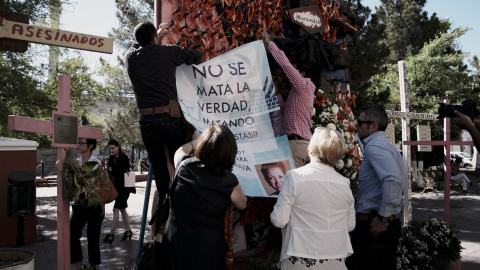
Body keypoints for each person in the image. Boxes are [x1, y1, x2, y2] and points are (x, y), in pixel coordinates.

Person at [125, 22, 203, 204]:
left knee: (159, 166)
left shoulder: (130, 57)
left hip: (146, 120)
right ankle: (182, 198)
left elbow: (136, 45)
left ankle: (165, 202)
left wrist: (156, 36)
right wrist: (160, 38)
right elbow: (197, 56)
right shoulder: (169, 52)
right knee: (180, 159)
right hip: (169, 116)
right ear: (154, 38)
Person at [161, 125, 247, 270]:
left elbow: (179, 151)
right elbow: (242, 204)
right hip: (207, 251)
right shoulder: (229, 181)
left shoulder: (184, 166)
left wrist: (195, 141)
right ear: (230, 152)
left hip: (175, 243)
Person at [270, 127, 355, 270]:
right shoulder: (345, 184)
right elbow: (350, 225)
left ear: (311, 150)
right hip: (335, 260)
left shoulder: (294, 177)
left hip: (299, 259)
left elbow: (279, 220)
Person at [346, 105, 406, 270]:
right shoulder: (384, 145)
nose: (356, 126)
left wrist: (383, 218)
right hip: (379, 223)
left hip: (374, 225)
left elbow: (393, 180)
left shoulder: (375, 146)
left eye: (360, 122)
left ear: (373, 126)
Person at [259, 31, 316, 168]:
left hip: (296, 143)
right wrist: (276, 92)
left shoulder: (304, 85)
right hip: (294, 142)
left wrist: (269, 43)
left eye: (295, 70)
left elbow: (286, 66)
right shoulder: (299, 91)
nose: (292, 73)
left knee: (291, 184)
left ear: (301, 74)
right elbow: (286, 111)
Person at [71, 138, 104, 270]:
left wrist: (76, 182)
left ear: (90, 146)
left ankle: (92, 265)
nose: (78, 145)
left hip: (94, 204)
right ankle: (78, 265)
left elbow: (90, 182)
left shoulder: (96, 162)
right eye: (78, 142)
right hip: (80, 203)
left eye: (81, 143)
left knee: (93, 236)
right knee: (72, 233)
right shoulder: (76, 162)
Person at [102, 139, 136, 244]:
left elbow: (122, 171)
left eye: (112, 148)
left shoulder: (124, 157)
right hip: (116, 187)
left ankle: (111, 234)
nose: (111, 150)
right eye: (110, 148)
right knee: (122, 209)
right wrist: (113, 171)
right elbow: (109, 170)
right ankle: (128, 231)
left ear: (118, 147)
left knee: (116, 209)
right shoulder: (111, 158)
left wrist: (114, 171)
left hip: (125, 188)